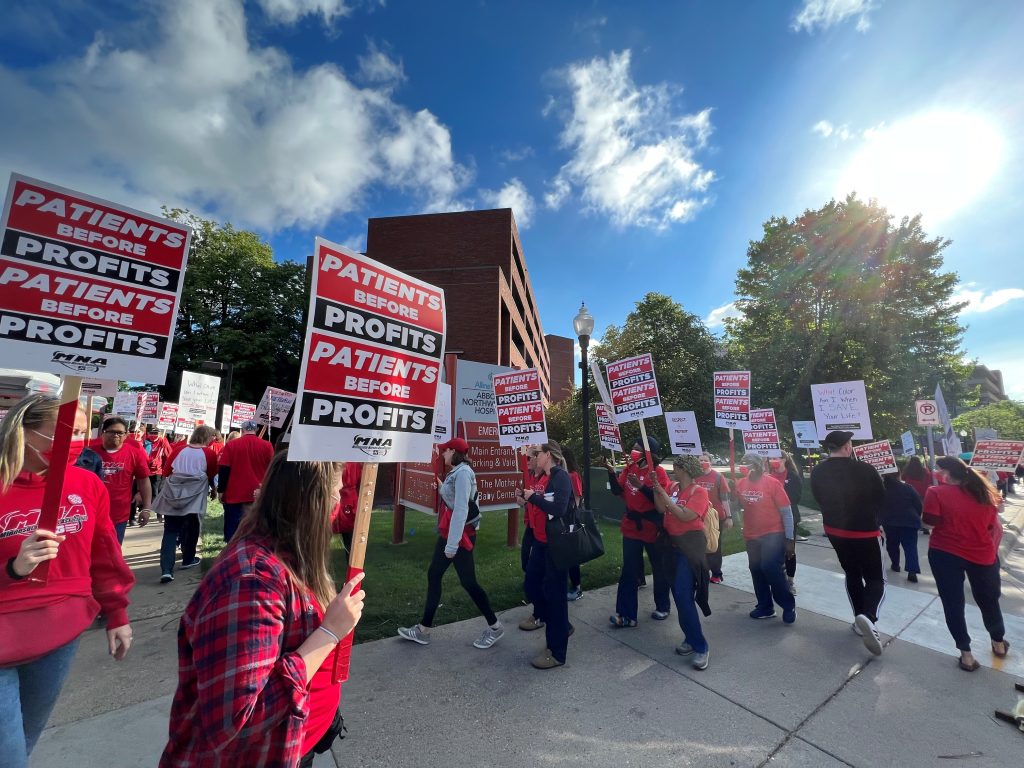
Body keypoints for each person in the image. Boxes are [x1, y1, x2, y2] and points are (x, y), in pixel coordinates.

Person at [159, 455, 366, 767]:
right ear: (311, 501)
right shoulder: (251, 582)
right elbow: (237, 722)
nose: (339, 504)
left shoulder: (287, 556)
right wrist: (328, 634)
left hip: (292, 746)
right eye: (336, 493)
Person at [0, 395, 135, 767]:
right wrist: (13, 569)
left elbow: (105, 557)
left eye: (81, 431)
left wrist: (117, 612)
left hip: (59, 637)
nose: (77, 440)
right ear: (24, 431)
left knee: (23, 741)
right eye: (65, 432)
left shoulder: (88, 485)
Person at [397, 438, 503, 650]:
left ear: (454, 452)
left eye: (445, 451)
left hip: (459, 536)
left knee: (468, 582)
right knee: (434, 574)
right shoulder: (458, 472)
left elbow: (462, 509)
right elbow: (456, 501)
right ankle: (423, 629)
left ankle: (495, 626)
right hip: (452, 534)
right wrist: (444, 487)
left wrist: (452, 545)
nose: (443, 453)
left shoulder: (463, 473)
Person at [923, 457, 1008, 671]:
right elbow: (991, 526)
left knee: (952, 603)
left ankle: (966, 655)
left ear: (947, 473)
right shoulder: (987, 494)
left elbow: (929, 522)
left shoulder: (935, 493)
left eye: (939, 470)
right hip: (981, 554)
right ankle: (998, 643)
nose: (937, 473)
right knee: (989, 600)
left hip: (944, 552)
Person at [810, 430, 886, 655]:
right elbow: (881, 499)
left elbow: (817, 498)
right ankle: (869, 618)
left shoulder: (817, 472)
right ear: (846, 447)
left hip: (835, 531)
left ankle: (858, 620)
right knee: (875, 578)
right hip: (864, 531)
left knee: (852, 574)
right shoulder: (865, 469)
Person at [515, 441, 573, 669]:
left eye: (537, 453)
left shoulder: (560, 477)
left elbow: (558, 508)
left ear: (548, 455)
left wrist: (533, 498)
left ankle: (557, 652)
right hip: (541, 542)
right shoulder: (542, 478)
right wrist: (526, 500)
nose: (534, 456)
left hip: (556, 545)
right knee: (531, 583)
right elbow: (540, 505)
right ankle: (560, 625)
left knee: (556, 597)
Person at [603, 437, 672, 627]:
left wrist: (642, 487)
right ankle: (626, 615)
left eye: (636, 448)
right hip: (632, 527)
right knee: (629, 571)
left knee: (659, 569)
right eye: (632, 447)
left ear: (647, 453)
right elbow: (618, 491)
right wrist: (611, 473)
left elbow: (661, 501)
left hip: (652, 527)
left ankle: (663, 606)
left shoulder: (657, 473)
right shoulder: (629, 469)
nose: (632, 451)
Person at [652, 455, 712, 670]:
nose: (673, 470)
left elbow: (684, 515)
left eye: (676, 467)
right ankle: (690, 637)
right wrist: (656, 488)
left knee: (683, 594)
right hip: (672, 547)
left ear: (684, 469)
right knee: (679, 595)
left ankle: (701, 647)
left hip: (690, 548)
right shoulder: (675, 487)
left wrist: (666, 497)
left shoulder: (699, 492)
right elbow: (661, 509)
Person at [151, 425, 219, 583]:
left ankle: (166, 569)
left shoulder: (178, 450)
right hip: (194, 497)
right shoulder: (208, 453)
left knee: (170, 531)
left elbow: (167, 471)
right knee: (192, 527)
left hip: (174, 496)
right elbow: (211, 474)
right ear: (207, 438)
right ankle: (188, 559)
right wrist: (214, 489)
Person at [736, 454, 797, 625]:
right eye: (742, 464)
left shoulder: (772, 483)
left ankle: (788, 605)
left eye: (748, 464)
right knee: (756, 569)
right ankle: (765, 607)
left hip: (773, 532)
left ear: (757, 466)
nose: (744, 467)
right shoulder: (741, 483)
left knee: (770, 567)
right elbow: (739, 506)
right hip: (752, 534)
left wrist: (789, 539)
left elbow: (787, 512)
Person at [90, 416, 152, 544]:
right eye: (112, 432)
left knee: (112, 556)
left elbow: (144, 480)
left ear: (126, 435)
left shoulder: (134, 453)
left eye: (120, 433)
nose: (116, 435)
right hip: (90, 513)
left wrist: (146, 508)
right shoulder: (88, 450)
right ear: (103, 432)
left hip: (118, 515)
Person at [217, 420, 274, 543]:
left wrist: (221, 490)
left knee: (233, 531)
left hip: (234, 494)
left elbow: (224, 469)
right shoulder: (267, 445)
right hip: (258, 494)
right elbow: (272, 470)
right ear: (256, 430)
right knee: (255, 530)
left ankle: (232, 555)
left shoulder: (231, 445)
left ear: (242, 430)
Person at [771, 452, 805, 593]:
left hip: (789, 518)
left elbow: (794, 498)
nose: (773, 460)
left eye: (776, 458)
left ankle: (790, 581)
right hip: (771, 519)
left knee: (789, 550)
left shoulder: (793, 476)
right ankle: (776, 578)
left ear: (784, 459)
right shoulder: (767, 475)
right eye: (771, 458)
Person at [695, 453, 732, 583]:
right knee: (700, 544)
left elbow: (725, 499)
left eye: (705, 460)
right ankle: (702, 572)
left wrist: (729, 516)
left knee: (714, 545)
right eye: (700, 460)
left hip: (716, 517)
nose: (703, 462)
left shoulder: (717, 477)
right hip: (698, 516)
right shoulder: (695, 476)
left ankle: (716, 573)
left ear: (710, 462)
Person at [879, 471, 922, 583]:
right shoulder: (907, 487)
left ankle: (895, 564)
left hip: (890, 522)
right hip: (909, 521)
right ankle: (912, 571)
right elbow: (918, 504)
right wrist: (916, 515)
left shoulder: (881, 490)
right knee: (910, 547)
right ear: (898, 475)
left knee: (892, 545)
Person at [562, 446, 585, 601]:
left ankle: (576, 586)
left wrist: (572, 517)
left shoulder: (572, 475)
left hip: (570, 518)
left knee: (572, 555)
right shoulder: (561, 474)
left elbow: (577, 497)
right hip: (563, 518)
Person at [330, 462, 363, 555]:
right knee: (350, 537)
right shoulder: (354, 460)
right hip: (345, 498)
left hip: (340, 497)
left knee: (350, 536)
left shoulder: (335, 460)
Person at [902, 456, 934, 534]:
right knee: (923, 510)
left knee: (913, 509)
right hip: (923, 492)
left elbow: (903, 478)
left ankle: (915, 524)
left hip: (911, 492)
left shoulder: (907, 470)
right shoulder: (924, 471)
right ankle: (925, 527)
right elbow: (929, 479)